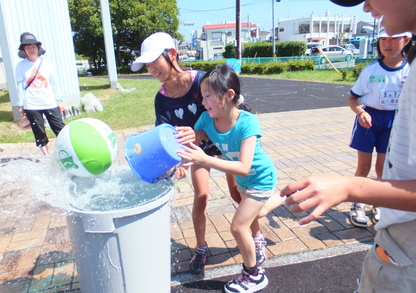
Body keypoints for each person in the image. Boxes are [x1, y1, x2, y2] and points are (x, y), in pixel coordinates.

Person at [281, 0, 416, 292]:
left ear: (405, 40)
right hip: (396, 244)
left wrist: (350, 187)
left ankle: (371, 202)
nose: (367, 7)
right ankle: (367, 205)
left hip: (407, 255)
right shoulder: (377, 69)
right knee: (368, 167)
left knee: (378, 169)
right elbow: (353, 98)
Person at [131, 32, 269, 275]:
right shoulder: (161, 99)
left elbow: (228, 108)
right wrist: (176, 162)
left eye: (155, 61)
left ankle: (256, 236)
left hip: (225, 144)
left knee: (239, 194)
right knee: (201, 196)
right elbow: (165, 134)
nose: (152, 69)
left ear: (172, 55)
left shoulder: (201, 82)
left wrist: (229, 135)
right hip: (196, 152)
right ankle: (201, 247)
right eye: (147, 65)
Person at [176, 64, 285, 293]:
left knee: (237, 226)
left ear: (229, 95)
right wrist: (184, 150)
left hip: (261, 178)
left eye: (207, 96)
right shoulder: (207, 119)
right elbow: (195, 137)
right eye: (202, 97)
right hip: (245, 182)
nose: (203, 103)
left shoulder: (248, 122)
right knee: (259, 213)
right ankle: (287, 195)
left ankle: (253, 275)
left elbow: (244, 167)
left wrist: (204, 159)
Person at [347, 28, 412, 227]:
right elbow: (352, 99)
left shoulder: (411, 69)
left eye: (393, 38)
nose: (387, 43)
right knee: (363, 167)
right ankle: (357, 205)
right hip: (370, 120)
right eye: (383, 39)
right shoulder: (370, 70)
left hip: (396, 122)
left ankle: (379, 204)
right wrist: (361, 112)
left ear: (406, 40)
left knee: (383, 168)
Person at [15, 32, 65, 155]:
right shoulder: (20, 66)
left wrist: (59, 100)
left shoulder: (47, 63)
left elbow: (54, 83)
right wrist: (20, 104)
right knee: (39, 132)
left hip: (49, 102)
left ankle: (68, 152)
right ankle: (46, 156)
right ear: (23, 50)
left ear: (38, 48)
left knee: (61, 129)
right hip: (31, 105)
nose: (31, 49)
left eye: (33, 46)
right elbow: (20, 86)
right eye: (27, 47)